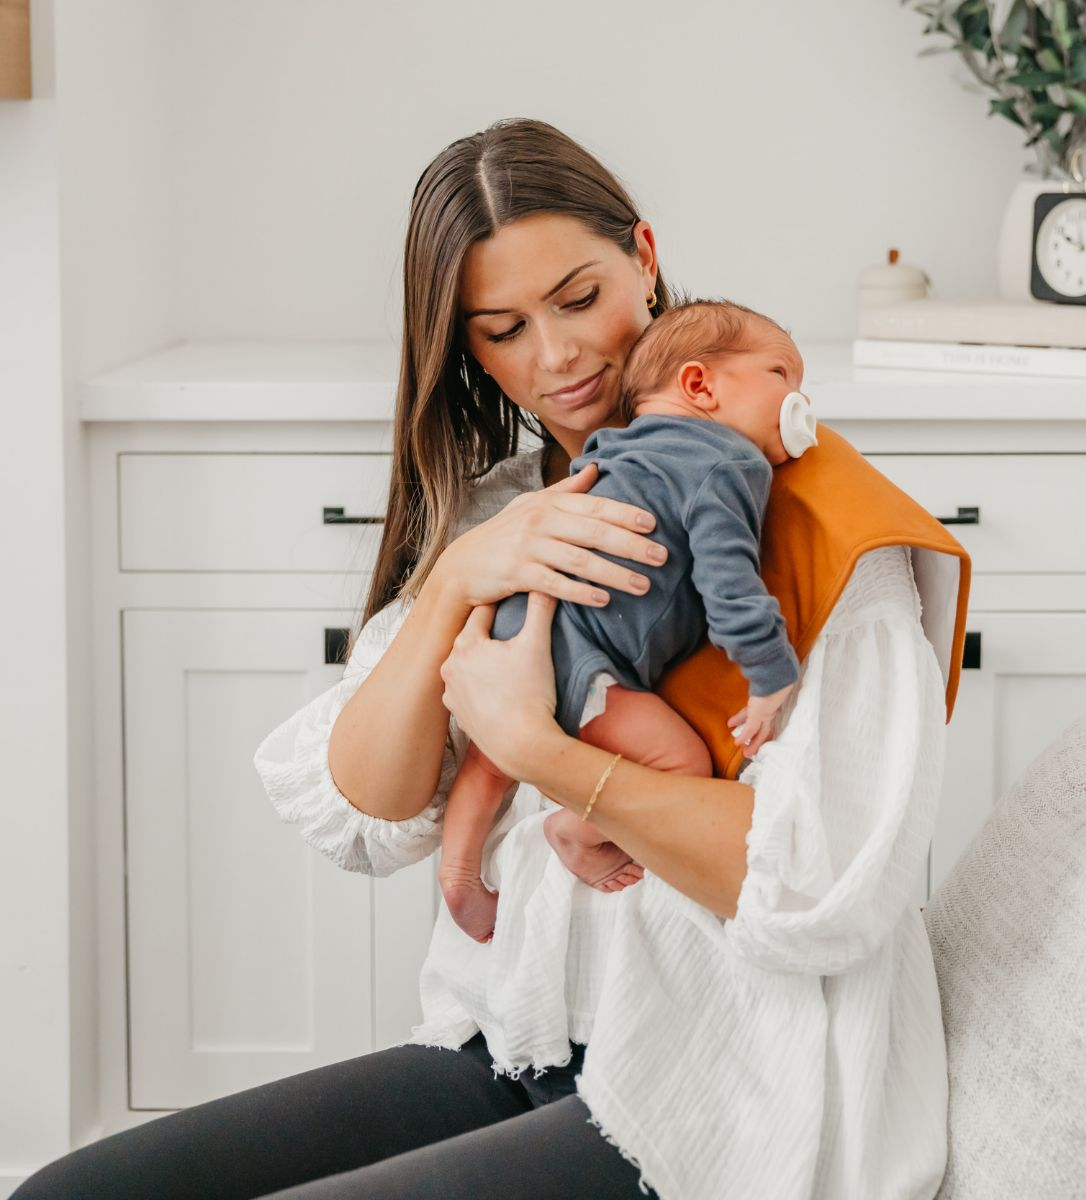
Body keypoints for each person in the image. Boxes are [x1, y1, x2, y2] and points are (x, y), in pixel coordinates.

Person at [13, 117, 954, 1200]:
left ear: (644, 260)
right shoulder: (498, 510)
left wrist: (538, 750)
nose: (555, 357)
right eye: (503, 329)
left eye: (578, 298)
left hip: (726, 1093)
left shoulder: (826, 529)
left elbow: (827, 885)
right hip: (513, 1047)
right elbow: (369, 802)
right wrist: (460, 575)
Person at [439, 298, 820, 946]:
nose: (801, 402)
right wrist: (769, 674)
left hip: (510, 623)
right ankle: (575, 832)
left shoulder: (621, 447)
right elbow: (727, 580)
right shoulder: (728, 461)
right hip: (583, 656)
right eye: (782, 376)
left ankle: (458, 872)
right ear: (700, 384)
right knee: (682, 765)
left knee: (489, 757)